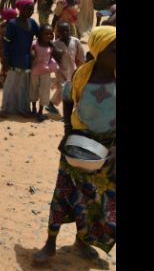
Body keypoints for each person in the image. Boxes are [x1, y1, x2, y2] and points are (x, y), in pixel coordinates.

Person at [32, 26, 116, 265]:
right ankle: (50, 243)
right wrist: (67, 132)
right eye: (114, 49)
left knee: (95, 199)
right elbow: (68, 98)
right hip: (79, 143)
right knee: (64, 193)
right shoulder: (83, 74)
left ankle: (82, 241)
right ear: (99, 51)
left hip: (108, 149)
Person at [0, 0, 40, 118]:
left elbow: (40, 35)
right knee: (11, 84)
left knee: (24, 85)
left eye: (32, 9)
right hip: (13, 59)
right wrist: (6, 58)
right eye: (28, 9)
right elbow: (7, 42)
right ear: (21, 9)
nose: (31, 11)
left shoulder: (32, 23)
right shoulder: (12, 24)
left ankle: (23, 108)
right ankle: (5, 108)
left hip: (26, 59)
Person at [49, 21, 86, 113]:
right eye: (62, 31)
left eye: (67, 31)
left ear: (70, 30)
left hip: (72, 70)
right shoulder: (55, 44)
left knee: (70, 89)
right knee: (63, 89)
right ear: (58, 33)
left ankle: (51, 104)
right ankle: (66, 112)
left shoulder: (75, 41)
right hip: (60, 71)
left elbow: (80, 56)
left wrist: (81, 68)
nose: (65, 33)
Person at [30, 25, 61, 122]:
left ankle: (40, 112)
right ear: (40, 34)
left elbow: (58, 54)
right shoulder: (35, 44)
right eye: (46, 34)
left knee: (44, 92)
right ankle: (33, 109)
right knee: (33, 90)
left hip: (45, 73)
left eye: (50, 34)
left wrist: (52, 44)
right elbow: (30, 52)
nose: (48, 36)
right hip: (34, 72)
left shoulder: (51, 46)